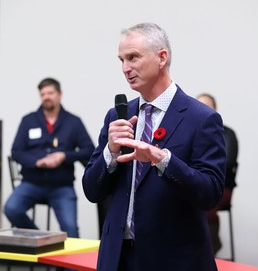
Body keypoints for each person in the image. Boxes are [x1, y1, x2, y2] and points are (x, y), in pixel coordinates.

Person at [82, 23, 226, 271]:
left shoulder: (201, 118)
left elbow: (211, 194)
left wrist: (164, 160)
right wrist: (111, 152)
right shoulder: (117, 116)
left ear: (162, 57)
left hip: (173, 259)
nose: (126, 68)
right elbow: (91, 190)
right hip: (118, 258)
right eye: (122, 60)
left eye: (133, 57)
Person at [4, 77, 95, 237]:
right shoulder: (28, 120)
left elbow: (89, 150)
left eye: (50, 92)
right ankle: (42, 241)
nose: (46, 96)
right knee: (11, 208)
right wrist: (37, 162)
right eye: (43, 93)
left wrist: (64, 156)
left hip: (62, 186)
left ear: (59, 94)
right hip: (32, 183)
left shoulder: (73, 122)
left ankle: (66, 262)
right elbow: (16, 152)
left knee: (71, 229)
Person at [197, 93, 238, 255]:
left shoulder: (227, 134)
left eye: (207, 107)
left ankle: (209, 249)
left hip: (220, 185)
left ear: (215, 111)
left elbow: (227, 164)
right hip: (194, 182)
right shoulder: (189, 131)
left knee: (205, 203)